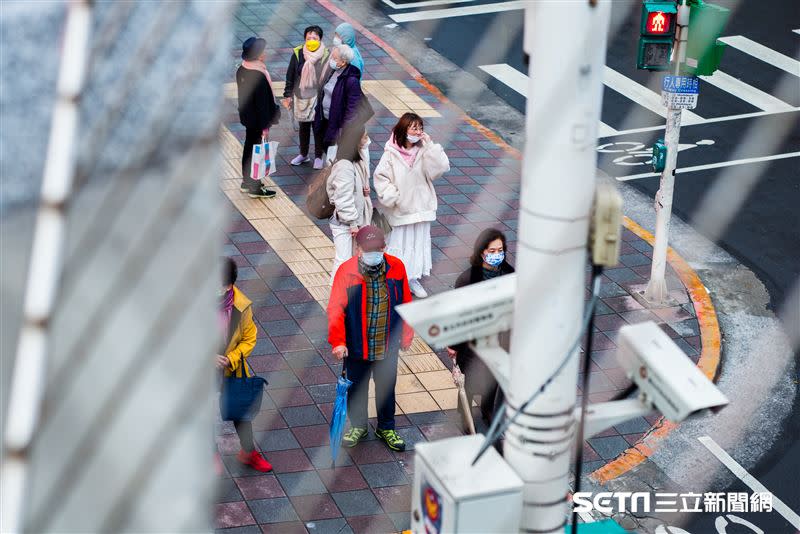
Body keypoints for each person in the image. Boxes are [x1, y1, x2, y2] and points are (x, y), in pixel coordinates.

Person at [328, 225, 413, 452]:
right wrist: (338, 341)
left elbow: (405, 303)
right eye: (368, 249)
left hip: (387, 345)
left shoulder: (397, 267)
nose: (372, 253)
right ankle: (359, 426)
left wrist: (406, 334)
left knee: (387, 387)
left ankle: (386, 427)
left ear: (384, 247)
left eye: (377, 248)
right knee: (357, 387)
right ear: (358, 249)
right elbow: (335, 308)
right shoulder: (346, 271)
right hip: (356, 345)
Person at [373, 112, 450, 299]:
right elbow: (381, 177)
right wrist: (393, 197)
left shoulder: (424, 150)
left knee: (417, 244)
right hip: (400, 210)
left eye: (420, 128)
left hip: (421, 208)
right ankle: (394, 279)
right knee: (398, 244)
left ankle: (412, 279)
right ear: (404, 129)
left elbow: (440, 168)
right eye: (414, 127)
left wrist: (431, 146)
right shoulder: (390, 153)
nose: (418, 132)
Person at [447, 229, 514, 430]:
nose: (496, 254)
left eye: (500, 250)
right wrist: (454, 343)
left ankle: (487, 409)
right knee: (468, 380)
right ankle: (464, 416)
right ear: (482, 251)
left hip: (500, 337)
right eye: (492, 250)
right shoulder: (467, 280)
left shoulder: (510, 274)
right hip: (472, 340)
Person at [218, 257, 273, 472]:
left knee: (240, 411)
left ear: (230, 284)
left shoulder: (241, 305)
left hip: (231, 366)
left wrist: (230, 358)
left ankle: (248, 452)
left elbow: (250, 338)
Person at [327, 125, 373, 282]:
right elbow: (342, 198)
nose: (367, 140)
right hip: (346, 222)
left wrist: (362, 190)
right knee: (344, 261)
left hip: (352, 220)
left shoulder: (354, 160)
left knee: (350, 260)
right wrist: (353, 223)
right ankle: (337, 296)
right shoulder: (345, 166)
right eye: (364, 137)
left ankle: (343, 296)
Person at [236, 37, 278, 199]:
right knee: (257, 152)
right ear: (258, 55)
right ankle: (254, 186)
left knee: (249, 148)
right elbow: (262, 105)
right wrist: (265, 127)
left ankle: (246, 182)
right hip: (258, 120)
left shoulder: (242, 69)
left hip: (248, 117)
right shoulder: (258, 75)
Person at [282, 25, 329, 169]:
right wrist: (287, 95)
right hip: (301, 97)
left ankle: (318, 156)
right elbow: (290, 75)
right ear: (304, 39)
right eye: (309, 38)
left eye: (314, 38)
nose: (311, 41)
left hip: (317, 97)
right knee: (303, 127)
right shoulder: (297, 53)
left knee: (318, 128)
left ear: (320, 39)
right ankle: (303, 154)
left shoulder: (326, 55)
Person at [313, 44, 363, 168]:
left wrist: (345, 128)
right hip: (324, 117)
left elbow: (353, 107)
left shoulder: (351, 80)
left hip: (337, 123)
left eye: (334, 58)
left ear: (343, 62)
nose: (331, 60)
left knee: (334, 151)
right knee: (325, 143)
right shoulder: (333, 71)